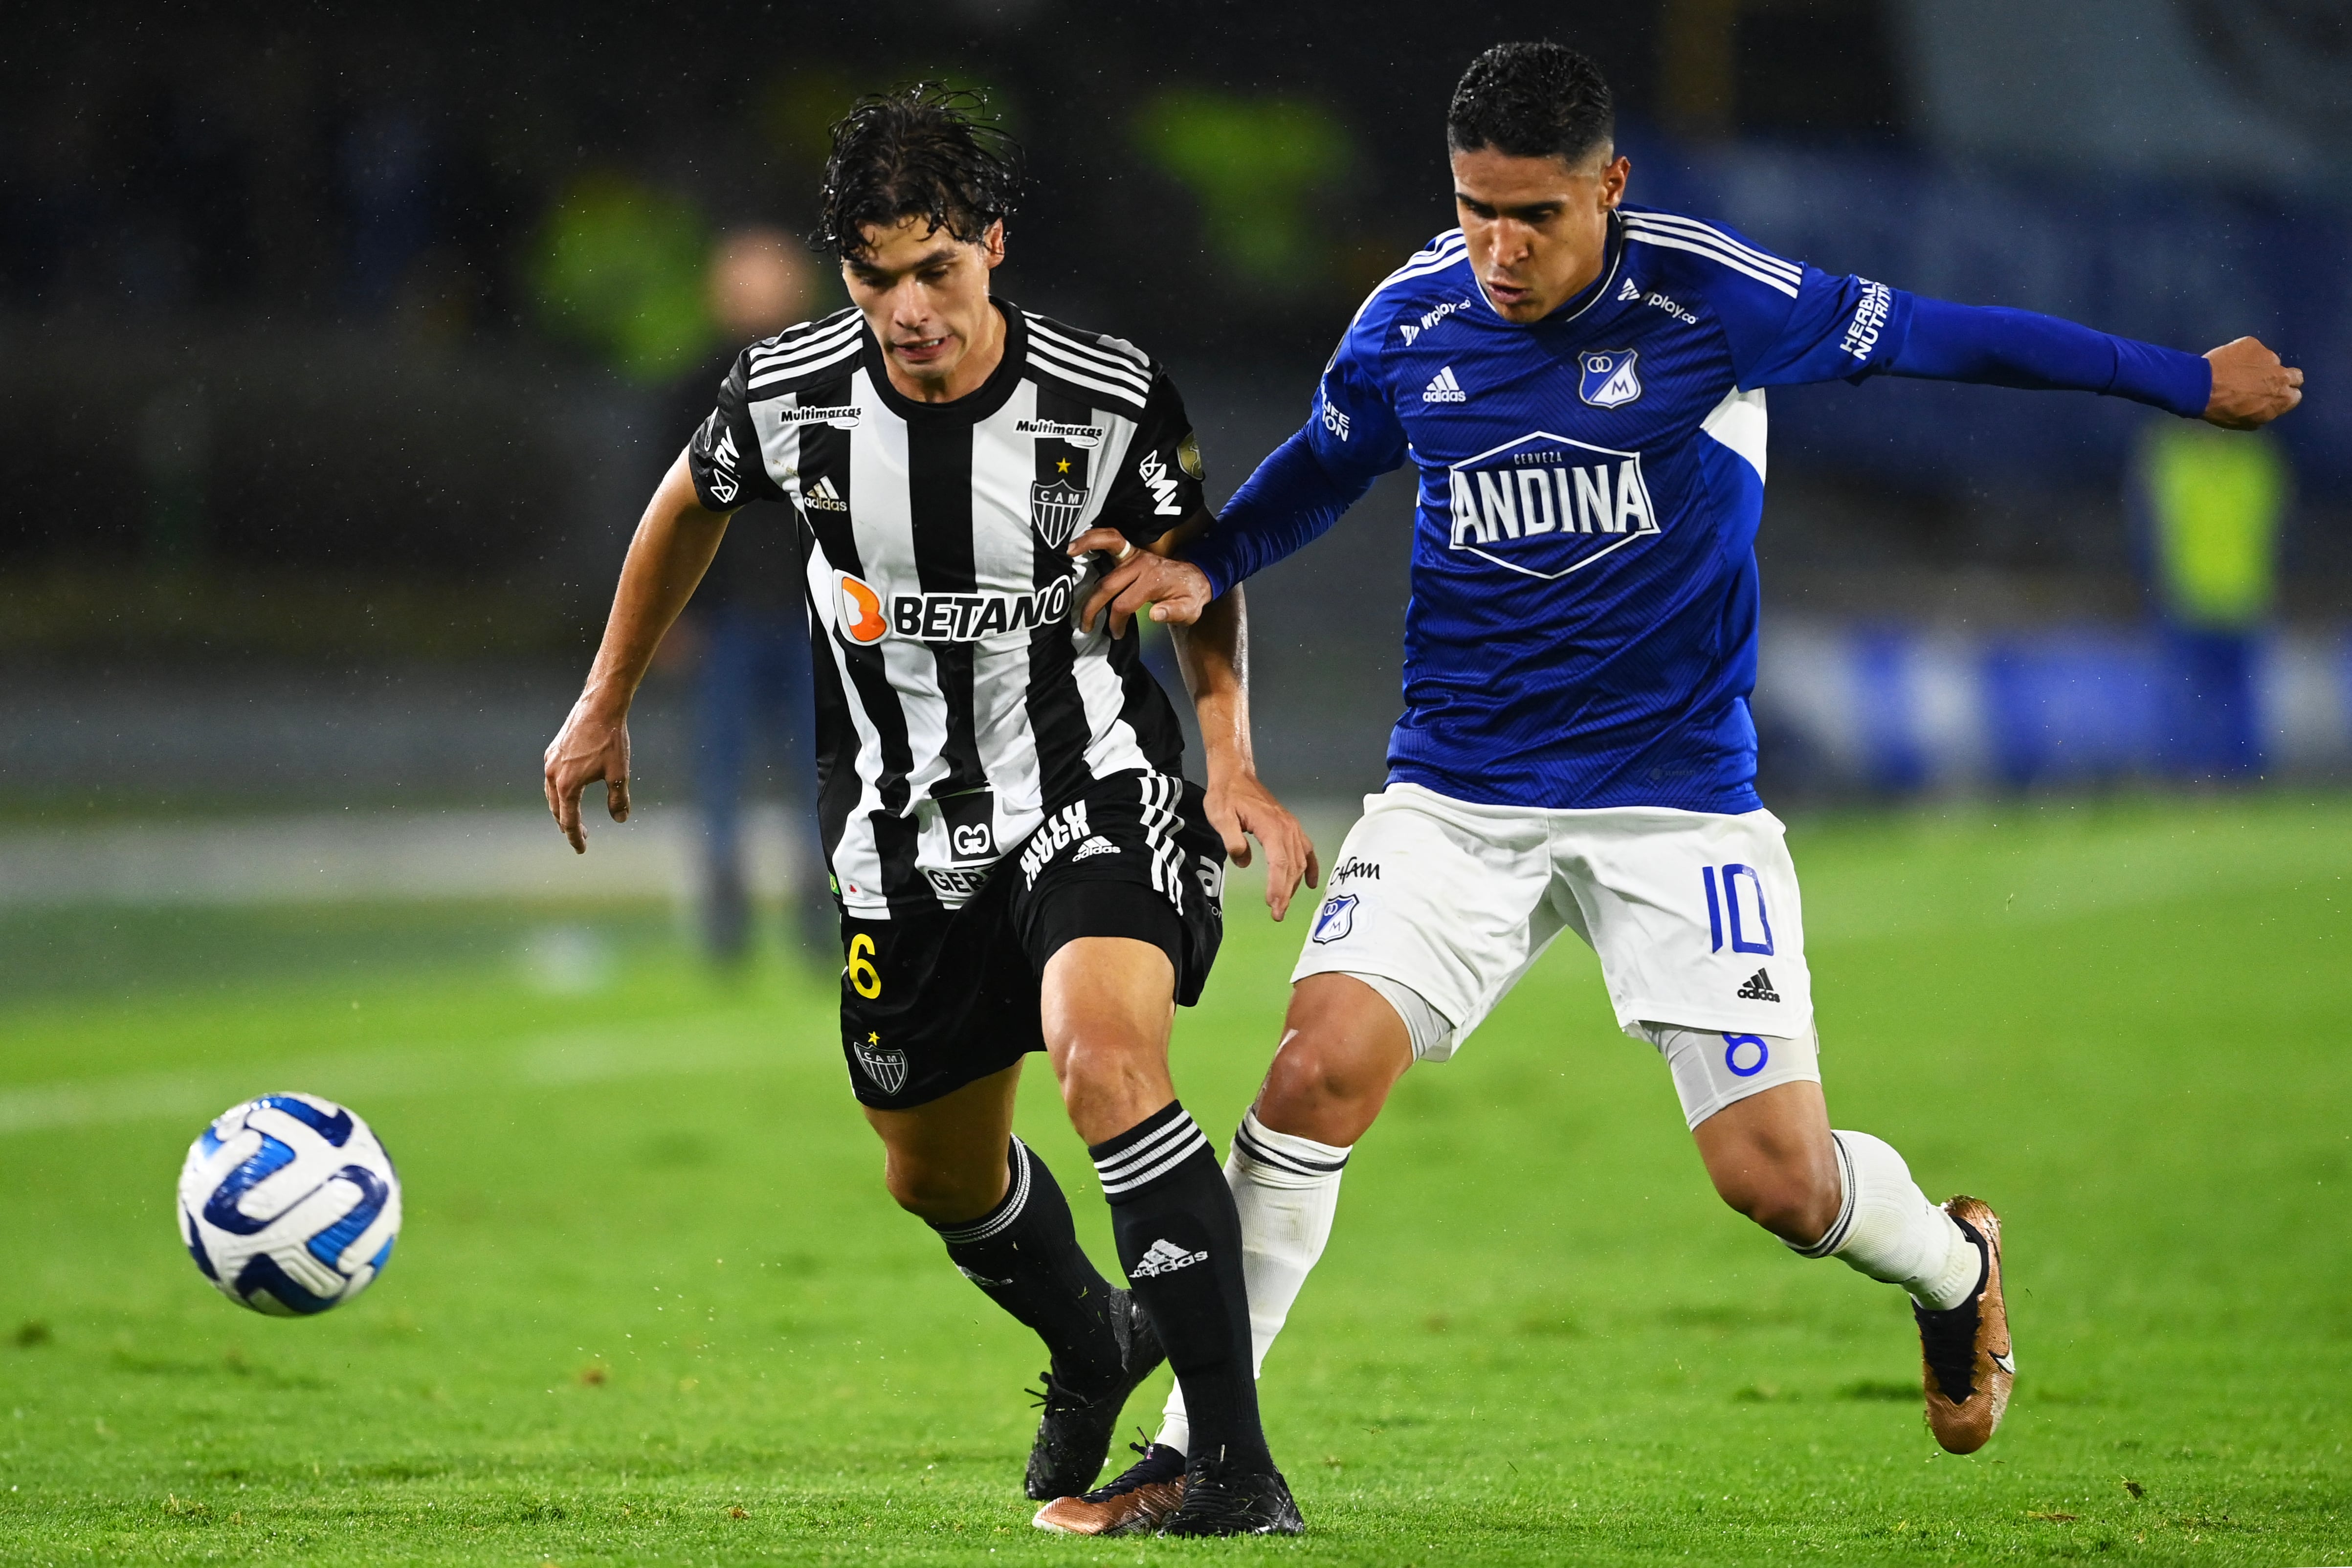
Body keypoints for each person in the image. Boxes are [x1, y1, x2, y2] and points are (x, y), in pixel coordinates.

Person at [1043, 41, 2305, 1534]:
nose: (1498, 250)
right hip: (1457, 794)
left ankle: (1957, 1267)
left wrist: (2179, 381)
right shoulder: (1411, 315)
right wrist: (1216, 553)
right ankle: (1204, 1453)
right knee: (1312, 1069)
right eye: (1471, 211)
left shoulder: (1717, 298)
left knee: (1772, 1179)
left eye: (1533, 216)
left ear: (1610, 190)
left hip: (1675, 806)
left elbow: (1948, 340)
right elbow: (1330, 461)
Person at [540, 88, 1319, 1537]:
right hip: (898, 831)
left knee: (1104, 1069)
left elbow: (1192, 570)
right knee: (930, 1171)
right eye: (873, 277)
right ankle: (1092, 1341)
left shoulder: (1104, 389)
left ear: (993, 249)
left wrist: (1228, 756)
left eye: (935, 272)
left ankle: (1231, 1467)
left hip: (1092, 780)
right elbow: (683, 505)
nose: (906, 310)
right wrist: (606, 699)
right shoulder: (789, 392)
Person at [663, 227, 833, 962]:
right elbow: (660, 514)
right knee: (720, 780)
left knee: (823, 779)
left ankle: (826, 919)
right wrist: (673, 615)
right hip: (724, 620)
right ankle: (725, 925)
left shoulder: (834, 385)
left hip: (816, 620)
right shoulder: (686, 392)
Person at [2130, 417, 2292, 781]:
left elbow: (2276, 529)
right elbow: (2147, 528)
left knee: (2236, 697)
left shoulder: (2255, 459)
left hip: (2243, 596)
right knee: (2188, 695)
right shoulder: (2173, 455)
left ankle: (2239, 778)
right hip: (2188, 596)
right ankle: (2187, 777)